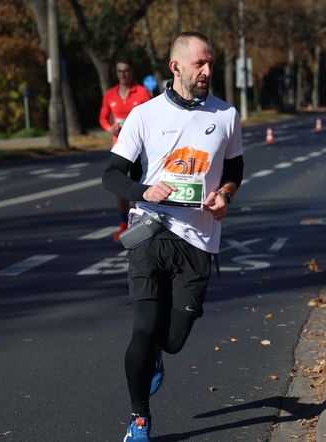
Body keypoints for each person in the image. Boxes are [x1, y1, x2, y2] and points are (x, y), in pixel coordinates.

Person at [102, 31, 244, 442]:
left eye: (211, 63)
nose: (207, 71)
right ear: (175, 66)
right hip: (150, 231)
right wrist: (142, 191)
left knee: (173, 340)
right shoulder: (145, 115)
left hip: (197, 240)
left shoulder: (226, 115)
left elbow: (235, 170)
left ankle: (159, 357)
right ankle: (139, 419)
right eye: (199, 63)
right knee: (143, 330)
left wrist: (225, 195)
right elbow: (112, 175)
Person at [99, 58, 151, 243]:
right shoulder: (110, 94)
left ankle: (140, 221)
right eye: (119, 71)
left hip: (140, 148)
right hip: (119, 148)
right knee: (120, 187)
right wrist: (109, 128)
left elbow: (151, 117)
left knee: (138, 184)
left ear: (132, 72)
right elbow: (103, 118)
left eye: (126, 71)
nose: (123, 75)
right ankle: (123, 223)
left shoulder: (143, 93)